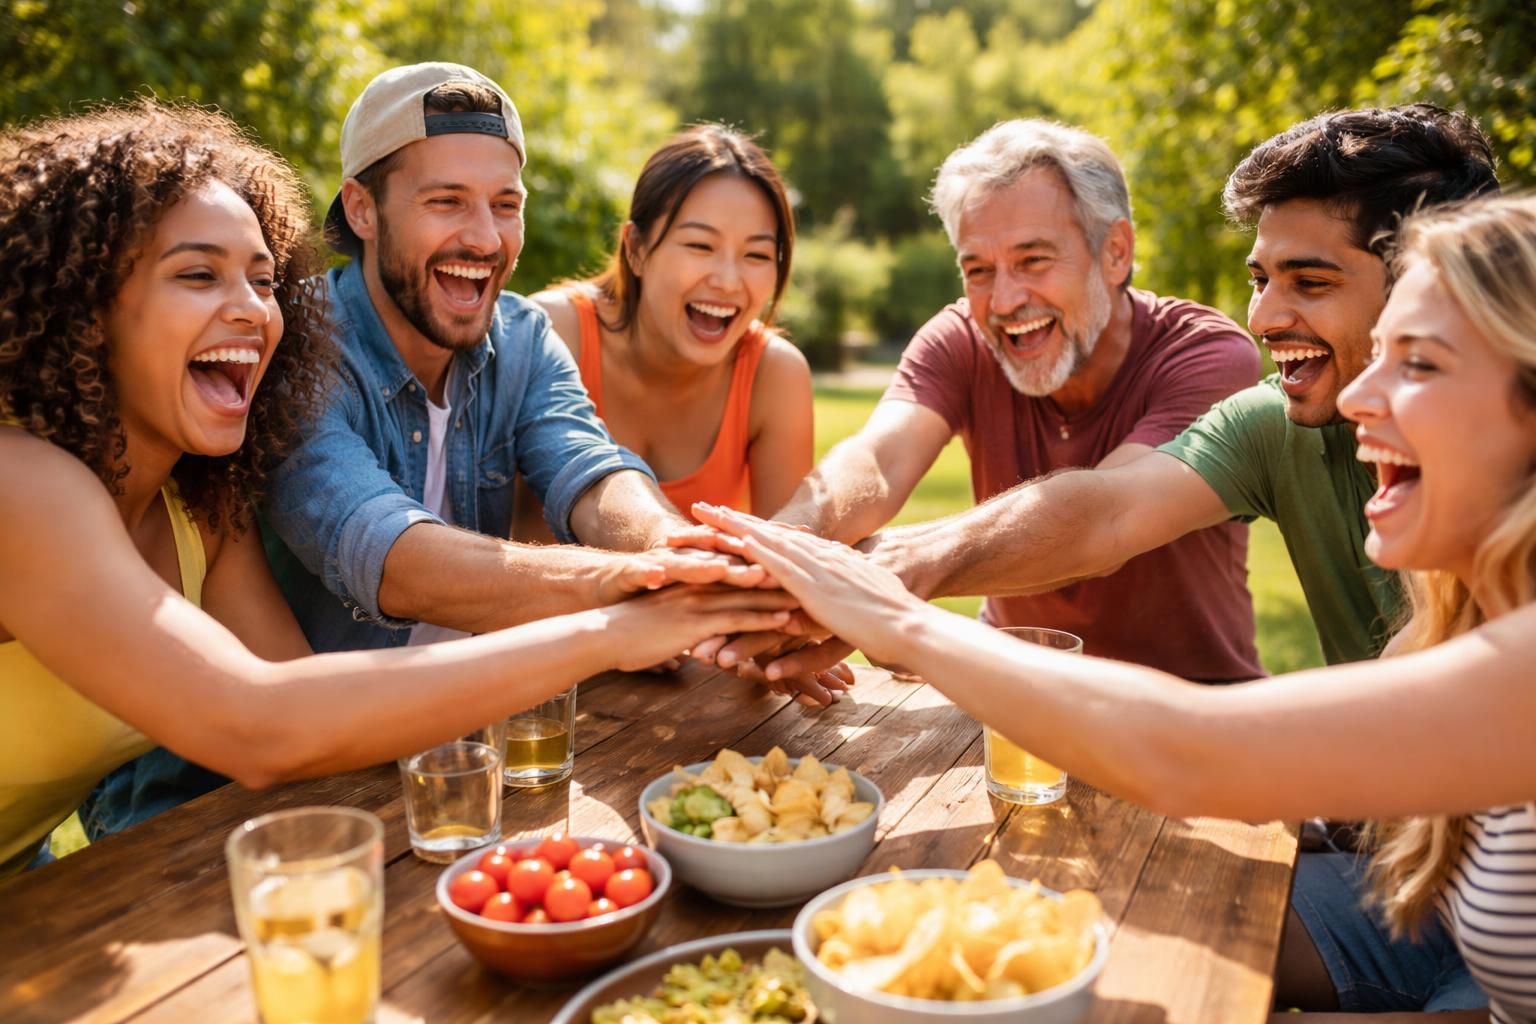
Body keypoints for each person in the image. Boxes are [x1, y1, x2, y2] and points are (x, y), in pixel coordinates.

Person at [692, 104, 1501, 1015]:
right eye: (1260, 278)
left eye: (1419, 361)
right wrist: (816, 559)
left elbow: (1190, 741)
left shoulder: (1230, 371)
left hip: (1356, 834)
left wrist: (896, 612)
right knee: (1072, 943)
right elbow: (1104, 509)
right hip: (1400, 857)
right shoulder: (1292, 423)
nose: (1267, 318)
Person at [0, 100, 798, 875]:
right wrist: (620, 609)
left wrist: (683, 556)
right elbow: (272, 710)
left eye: (262, 279)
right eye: (199, 275)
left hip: (313, 793)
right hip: (189, 823)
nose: (251, 312)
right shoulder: (24, 483)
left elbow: (295, 695)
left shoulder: (199, 499)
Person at [689, 118, 1266, 683]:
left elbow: (1101, 517)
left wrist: (893, 572)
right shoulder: (961, 337)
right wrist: (789, 542)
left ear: (1115, 252)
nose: (1006, 299)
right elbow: (878, 458)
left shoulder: (1209, 357)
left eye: (1034, 260)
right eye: (978, 269)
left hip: (1191, 713)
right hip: (1012, 699)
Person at [516, 124, 812, 537]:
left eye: (757, 254)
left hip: (701, 600)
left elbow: (786, 561)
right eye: (699, 246)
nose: (728, 281)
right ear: (636, 249)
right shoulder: (550, 335)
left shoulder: (773, 375)